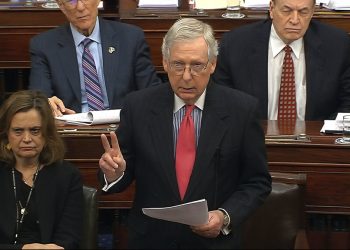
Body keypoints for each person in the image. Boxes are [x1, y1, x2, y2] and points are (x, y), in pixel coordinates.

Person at [98, 18, 271, 249]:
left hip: (213, 244)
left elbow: (257, 182)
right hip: (151, 241)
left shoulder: (241, 110)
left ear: (212, 65)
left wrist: (224, 216)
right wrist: (114, 173)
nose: (187, 76)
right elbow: (120, 174)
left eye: (197, 65)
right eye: (178, 65)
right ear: (165, 63)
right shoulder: (138, 106)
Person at [213, 0, 350, 121]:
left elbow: (347, 101)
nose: (295, 20)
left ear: (312, 12)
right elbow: (223, 100)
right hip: (251, 138)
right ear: (272, 9)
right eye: (287, 10)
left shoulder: (337, 45)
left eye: (303, 12)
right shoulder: (236, 44)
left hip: (316, 142)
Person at [29, 0, 162, 117]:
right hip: (72, 132)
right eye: (71, 1)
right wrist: (46, 103)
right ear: (61, 5)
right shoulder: (44, 45)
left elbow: (151, 92)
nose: (80, 7)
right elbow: (39, 97)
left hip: (123, 127)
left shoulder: (130, 38)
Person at [0, 90, 83, 249]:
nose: (26, 139)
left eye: (35, 130)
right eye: (18, 131)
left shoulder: (67, 176)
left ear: (47, 133)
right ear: (6, 134)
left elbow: (69, 239)